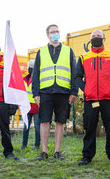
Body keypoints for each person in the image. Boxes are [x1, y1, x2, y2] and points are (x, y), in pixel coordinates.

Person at [74, 29, 110, 165]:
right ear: (90, 40)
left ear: (104, 39)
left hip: (107, 98)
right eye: (93, 36)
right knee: (89, 128)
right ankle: (87, 156)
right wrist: (86, 90)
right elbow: (77, 77)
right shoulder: (83, 57)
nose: (96, 38)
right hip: (90, 99)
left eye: (98, 36)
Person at [32, 24, 78, 160]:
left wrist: (74, 92)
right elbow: (36, 74)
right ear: (48, 35)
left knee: (60, 122)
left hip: (63, 92)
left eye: (57, 31)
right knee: (44, 122)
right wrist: (36, 93)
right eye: (52, 32)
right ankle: (44, 151)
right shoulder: (41, 52)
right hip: (45, 92)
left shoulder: (68, 51)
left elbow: (74, 73)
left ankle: (57, 151)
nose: (55, 34)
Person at [21, 60, 40, 150]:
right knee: (26, 127)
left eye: (32, 68)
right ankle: (24, 145)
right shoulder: (24, 79)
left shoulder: (39, 79)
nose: (31, 69)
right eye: (30, 68)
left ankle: (37, 145)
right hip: (27, 106)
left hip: (37, 105)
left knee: (37, 127)